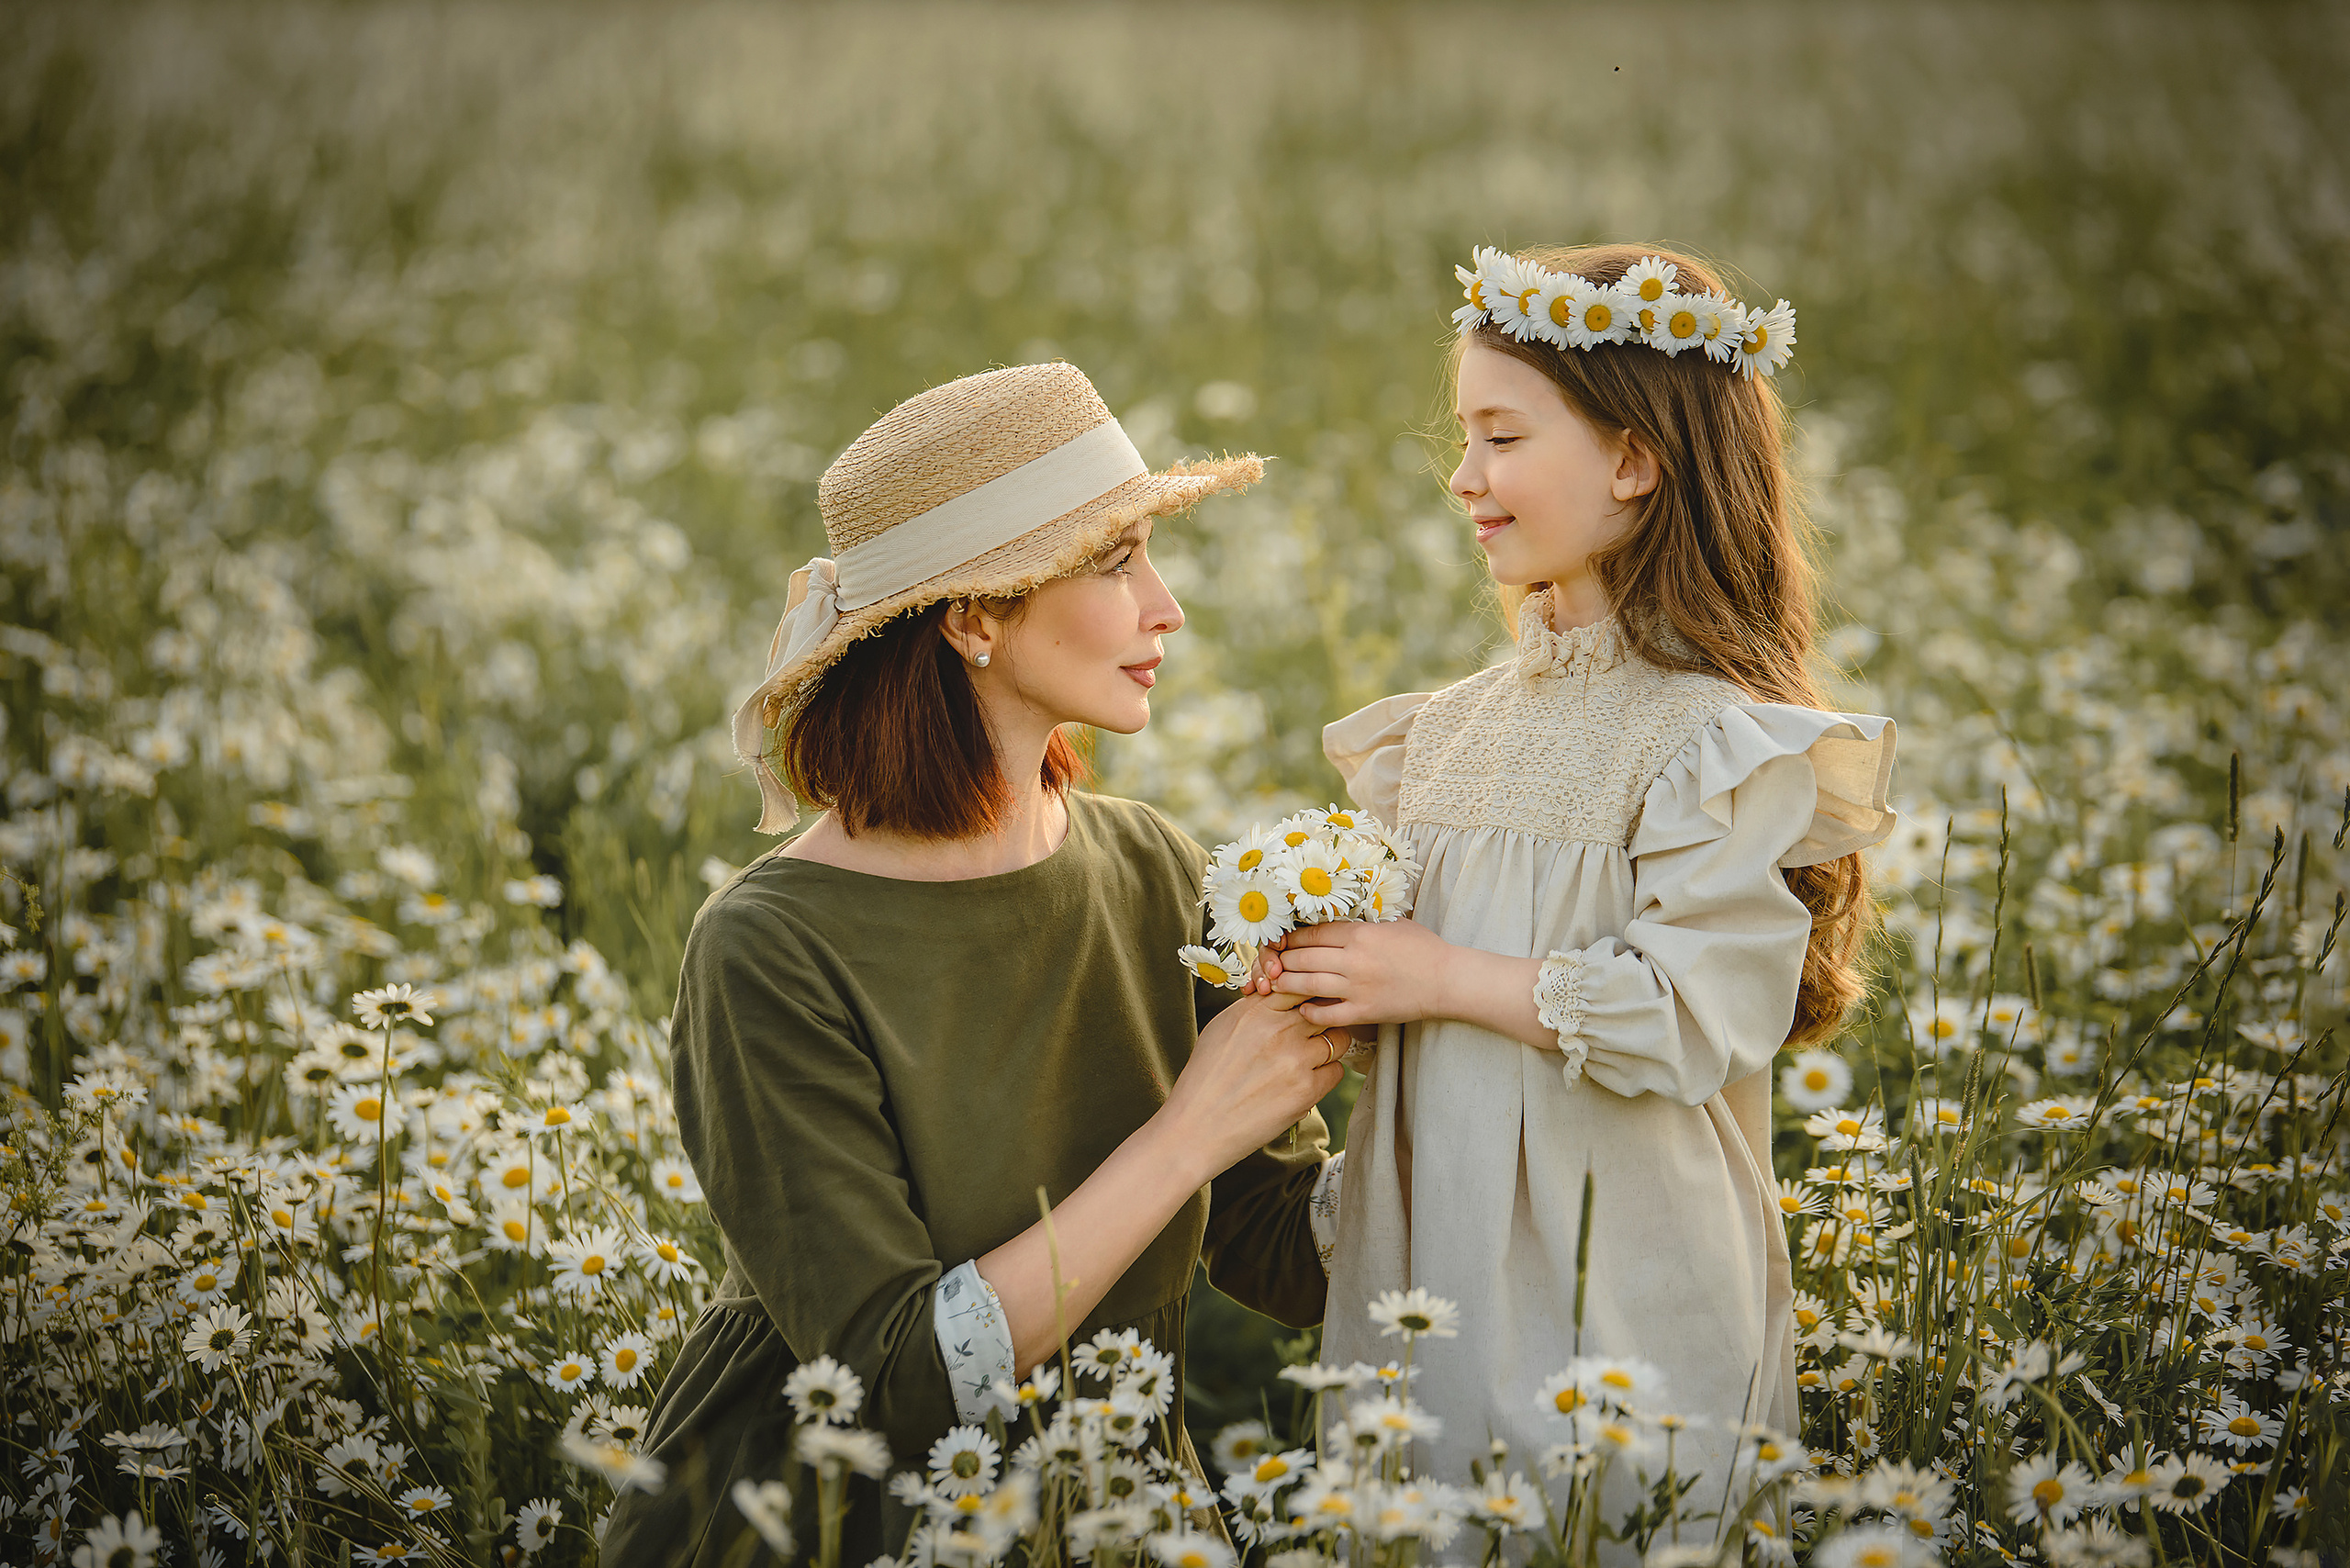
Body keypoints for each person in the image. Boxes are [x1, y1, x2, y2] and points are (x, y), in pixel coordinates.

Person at [601, 363, 1349, 1568]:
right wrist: (1190, 1131)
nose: (1167, 609)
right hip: (824, 1522)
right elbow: (895, 1377)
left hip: (1108, 1514)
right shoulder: (770, 948)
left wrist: (1464, 1063)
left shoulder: (1161, 869)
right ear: (974, 616)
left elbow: (1274, 1242)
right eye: (1117, 565)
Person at [1260, 244, 1898, 1518]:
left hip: (1624, 1290)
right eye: (1464, 435)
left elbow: (1687, 1014)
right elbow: (1412, 1020)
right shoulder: (1437, 736)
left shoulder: (1708, 741)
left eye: (1501, 435)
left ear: (1633, 458)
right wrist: (1319, 962)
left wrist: (1434, 971)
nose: (1463, 477)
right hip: (1430, 1265)